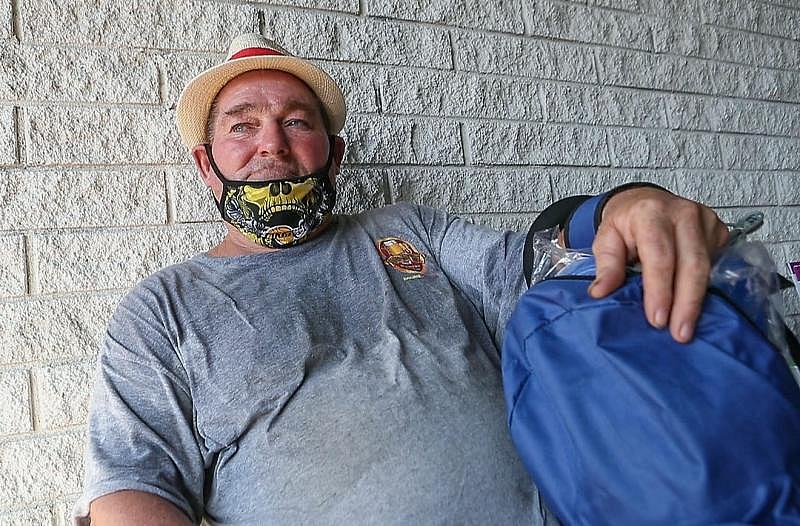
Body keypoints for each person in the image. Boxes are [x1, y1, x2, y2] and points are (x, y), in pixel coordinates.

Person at [74, 33, 728, 525]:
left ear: (335, 157)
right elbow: (132, 483)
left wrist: (623, 205)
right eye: (242, 125)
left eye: (297, 122)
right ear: (207, 165)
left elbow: (534, 273)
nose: (272, 143)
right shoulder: (162, 309)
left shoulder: (409, 231)